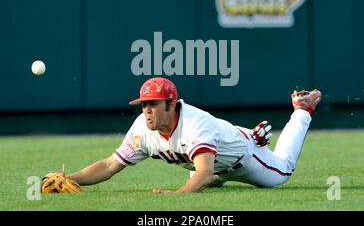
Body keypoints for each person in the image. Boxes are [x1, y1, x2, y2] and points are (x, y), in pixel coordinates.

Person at [69, 77, 322, 193]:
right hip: (207, 158)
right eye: (143, 104)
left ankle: (302, 111)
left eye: (153, 104)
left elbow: (203, 174)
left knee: (284, 172)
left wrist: (177, 196)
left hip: (243, 157)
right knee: (207, 178)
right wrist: (71, 179)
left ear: (171, 104)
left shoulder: (194, 123)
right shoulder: (142, 128)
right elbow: (109, 165)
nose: (146, 110)